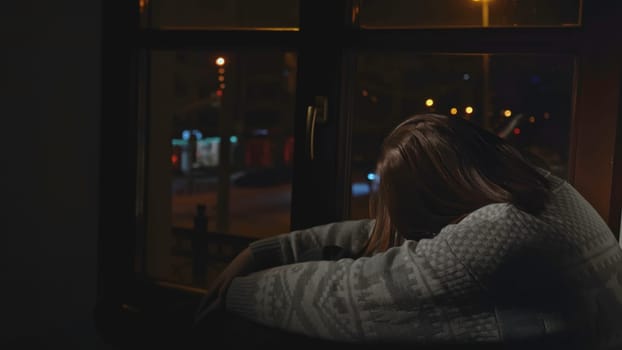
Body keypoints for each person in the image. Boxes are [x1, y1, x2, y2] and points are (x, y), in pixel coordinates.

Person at [193, 113, 622, 349]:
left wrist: (236, 292)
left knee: (253, 333)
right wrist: (269, 250)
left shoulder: (495, 236)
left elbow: (351, 297)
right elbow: (379, 232)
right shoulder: (549, 193)